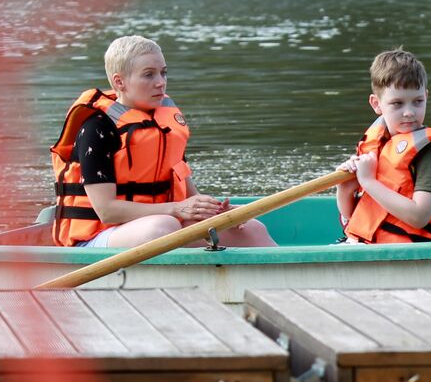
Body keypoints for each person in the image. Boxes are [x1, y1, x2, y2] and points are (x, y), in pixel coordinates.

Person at [50, 35, 275, 248]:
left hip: (160, 222)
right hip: (98, 237)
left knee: (251, 229)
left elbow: (188, 195)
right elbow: (107, 211)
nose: (160, 82)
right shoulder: (97, 128)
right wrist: (177, 209)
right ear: (120, 82)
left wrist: (216, 212)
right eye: (149, 75)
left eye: (163, 73)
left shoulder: (166, 125)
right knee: (163, 226)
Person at [335, 48, 431, 243]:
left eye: (417, 101)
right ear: (376, 104)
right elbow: (353, 217)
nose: (409, 112)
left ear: (426, 97)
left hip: (407, 255)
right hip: (362, 247)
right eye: (397, 103)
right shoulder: (378, 147)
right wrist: (345, 189)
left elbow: (419, 217)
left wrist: (368, 182)